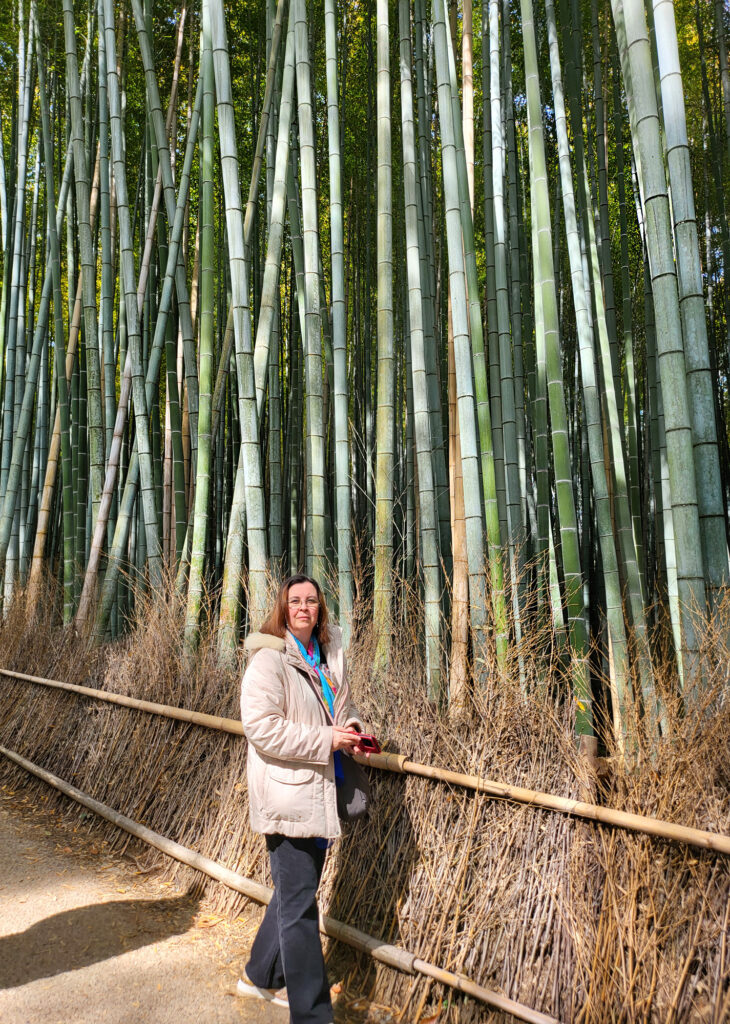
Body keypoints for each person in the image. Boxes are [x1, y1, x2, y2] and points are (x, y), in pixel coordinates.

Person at [238, 574, 372, 1024]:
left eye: (311, 600)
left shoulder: (327, 655)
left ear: (320, 609)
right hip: (288, 795)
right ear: (283, 608)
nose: (303, 607)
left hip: (322, 792)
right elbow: (262, 728)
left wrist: (351, 730)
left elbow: (342, 708)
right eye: (294, 600)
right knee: (299, 907)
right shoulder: (269, 660)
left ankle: (259, 975)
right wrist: (326, 739)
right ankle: (313, 1015)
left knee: (294, 894)